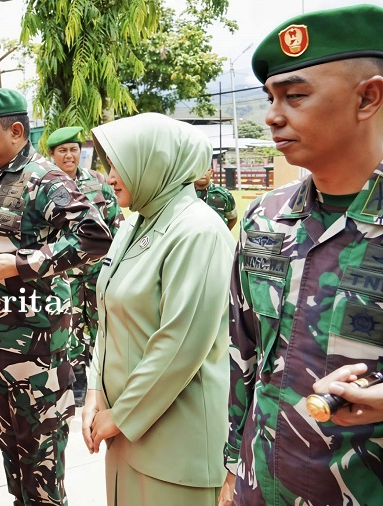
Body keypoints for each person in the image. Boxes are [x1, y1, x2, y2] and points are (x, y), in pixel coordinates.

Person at [222, 5, 383, 505]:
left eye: (295, 96)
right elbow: (242, 354)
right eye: (270, 97)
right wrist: (232, 468)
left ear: (368, 98)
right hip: (261, 484)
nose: (272, 116)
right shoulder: (264, 218)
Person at [0, 88, 113, 506]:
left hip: (35, 346)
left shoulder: (44, 178)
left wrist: (25, 263)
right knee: (11, 440)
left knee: (41, 451)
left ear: (16, 131)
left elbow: (95, 237)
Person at [79, 113, 233, 505]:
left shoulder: (197, 230)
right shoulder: (134, 226)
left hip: (173, 446)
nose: (109, 177)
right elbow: (107, 317)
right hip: (123, 431)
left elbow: (180, 343)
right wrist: (94, 392)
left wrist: (120, 416)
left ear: (155, 162)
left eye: (119, 165)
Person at [46, 126, 123, 407]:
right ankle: (78, 377)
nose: (69, 155)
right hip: (65, 274)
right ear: (52, 155)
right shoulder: (46, 184)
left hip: (99, 271)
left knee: (105, 325)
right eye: (62, 150)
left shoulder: (98, 181)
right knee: (72, 328)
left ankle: (103, 378)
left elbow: (117, 222)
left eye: (74, 149)